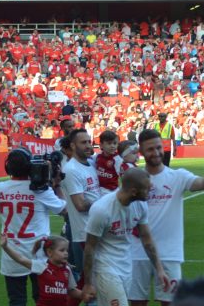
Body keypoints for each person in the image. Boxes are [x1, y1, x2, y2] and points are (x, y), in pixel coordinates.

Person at [129, 129, 204, 306]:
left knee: (170, 302)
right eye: (150, 149)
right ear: (141, 152)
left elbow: (199, 183)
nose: (156, 153)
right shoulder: (134, 179)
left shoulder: (177, 176)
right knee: (137, 303)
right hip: (137, 252)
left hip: (169, 253)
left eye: (158, 148)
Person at [82, 168, 170, 306]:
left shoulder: (140, 205)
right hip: (105, 268)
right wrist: (88, 283)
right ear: (134, 191)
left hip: (125, 266)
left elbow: (147, 239)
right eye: (147, 189)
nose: (150, 192)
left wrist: (159, 269)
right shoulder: (101, 210)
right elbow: (89, 247)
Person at [0, 148, 67, 306]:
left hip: (11, 251)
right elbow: (64, 210)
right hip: (38, 252)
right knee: (41, 298)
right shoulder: (41, 191)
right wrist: (56, 185)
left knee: (16, 300)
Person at [60, 128, 101, 303]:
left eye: (89, 142)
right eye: (83, 142)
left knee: (86, 280)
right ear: (73, 145)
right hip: (84, 233)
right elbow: (80, 205)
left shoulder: (91, 164)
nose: (87, 146)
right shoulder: (71, 170)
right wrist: (105, 203)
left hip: (95, 229)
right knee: (91, 282)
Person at [0, 235, 82, 306]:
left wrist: (85, 294)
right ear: (50, 252)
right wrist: (5, 247)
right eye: (62, 250)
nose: (66, 253)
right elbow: (21, 259)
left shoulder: (67, 270)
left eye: (67, 250)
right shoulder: (42, 266)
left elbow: (71, 290)